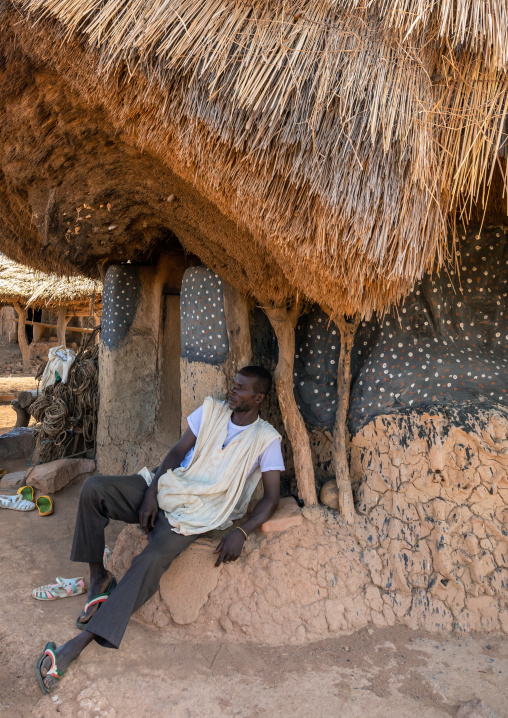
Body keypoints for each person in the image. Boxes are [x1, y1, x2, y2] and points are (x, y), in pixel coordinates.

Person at [35, 366, 284, 693]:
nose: (232, 391)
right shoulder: (211, 410)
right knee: (94, 489)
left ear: (258, 398)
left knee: (151, 559)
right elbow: (177, 453)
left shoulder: (267, 439)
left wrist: (243, 531)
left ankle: (78, 643)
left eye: (240, 389)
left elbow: (271, 498)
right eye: (233, 385)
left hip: (201, 512)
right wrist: (151, 492)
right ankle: (99, 577)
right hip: (168, 486)